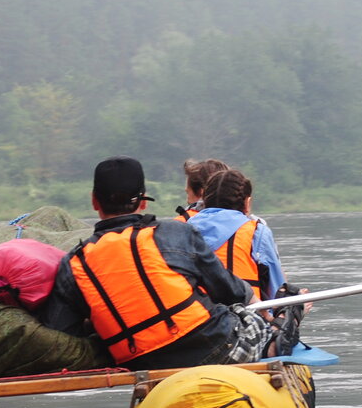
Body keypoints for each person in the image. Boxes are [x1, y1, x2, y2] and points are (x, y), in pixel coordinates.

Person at [39, 155, 272, 370]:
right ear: (143, 202)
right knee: (259, 323)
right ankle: (279, 333)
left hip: (141, 362)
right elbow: (228, 289)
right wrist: (258, 305)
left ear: (94, 201)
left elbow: (62, 330)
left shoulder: (74, 263)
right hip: (214, 348)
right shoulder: (175, 233)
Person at [187, 168, 287, 302]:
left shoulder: (184, 229)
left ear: (204, 200)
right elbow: (277, 288)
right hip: (248, 317)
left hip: (199, 316)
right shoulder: (257, 232)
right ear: (247, 203)